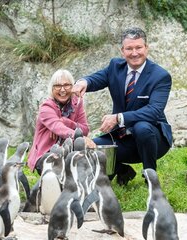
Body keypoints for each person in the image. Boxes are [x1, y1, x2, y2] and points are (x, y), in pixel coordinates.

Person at [72, 27, 173, 186]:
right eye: (129, 48)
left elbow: (154, 111)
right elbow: (98, 78)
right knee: (91, 149)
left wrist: (119, 118)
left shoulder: (160, 76)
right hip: (123, 138)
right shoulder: (115, 66)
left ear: (146, 48)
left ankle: (150, 177)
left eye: (138, 47)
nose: (134, 53)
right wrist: (84, 82)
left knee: (142, 127)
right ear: (122, 51)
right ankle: (122, 170)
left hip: (153, 140)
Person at [27, 69, 95, 175]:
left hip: (68, 152)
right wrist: (79, 137)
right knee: (57, 168)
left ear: (72, 87)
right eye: (57, 86)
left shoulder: (77, 103)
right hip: (45, 153)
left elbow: (85, 130)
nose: (62, 90)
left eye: (67, 85)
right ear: (52, 88)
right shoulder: (46, 106)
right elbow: (58, 127)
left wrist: (67, 122)